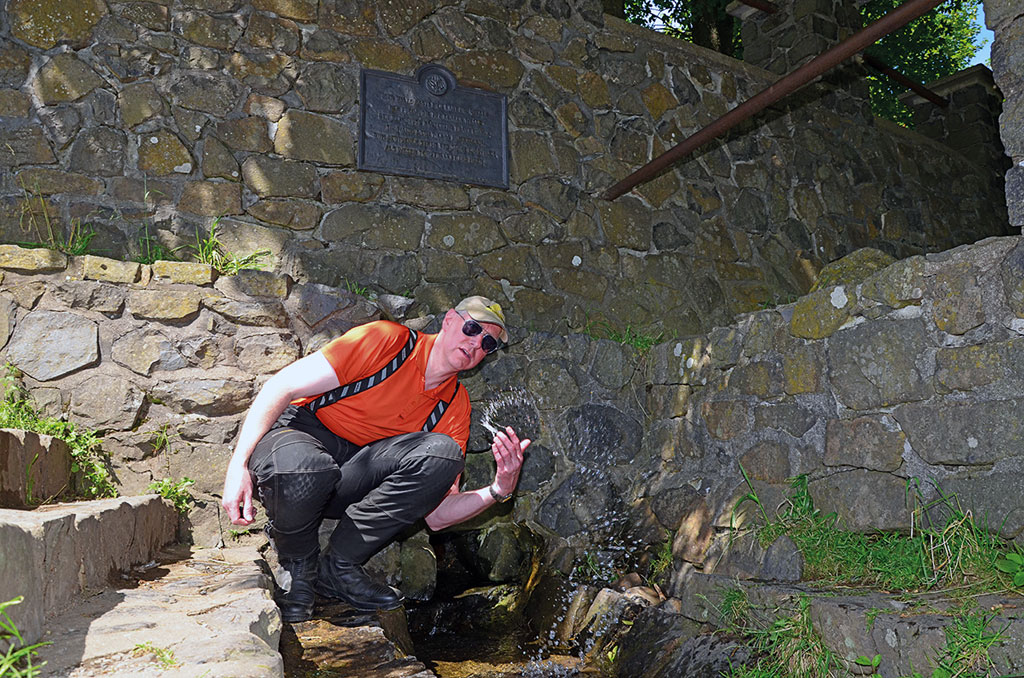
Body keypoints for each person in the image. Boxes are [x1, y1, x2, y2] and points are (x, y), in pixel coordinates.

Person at [220, 295, 529, 623]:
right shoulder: (387, 340)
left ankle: (338, 567)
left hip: (353, 475)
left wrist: (499, 489)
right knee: (309, 468)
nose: (476, 344)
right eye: (472, 328)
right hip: (302, 436)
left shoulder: (455, 405)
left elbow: (437, 517)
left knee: (443, 453)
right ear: (449, 320)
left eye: (487, 344)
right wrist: (238, 465)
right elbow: (282, 386)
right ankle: (299, 567)